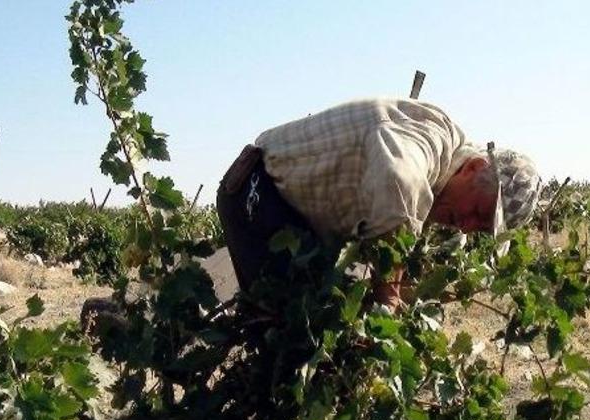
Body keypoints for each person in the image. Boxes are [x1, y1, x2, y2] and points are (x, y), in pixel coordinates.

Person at [216, 98, 541, 307]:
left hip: (294, 216)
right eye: (478, 212)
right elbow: (399, 178)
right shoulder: (430, 140)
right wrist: (388, 294)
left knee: (328, 326)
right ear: (473, 168)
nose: (467, 226)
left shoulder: (443, 168)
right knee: (288, 330)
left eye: (481, 229)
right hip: (257, 189)